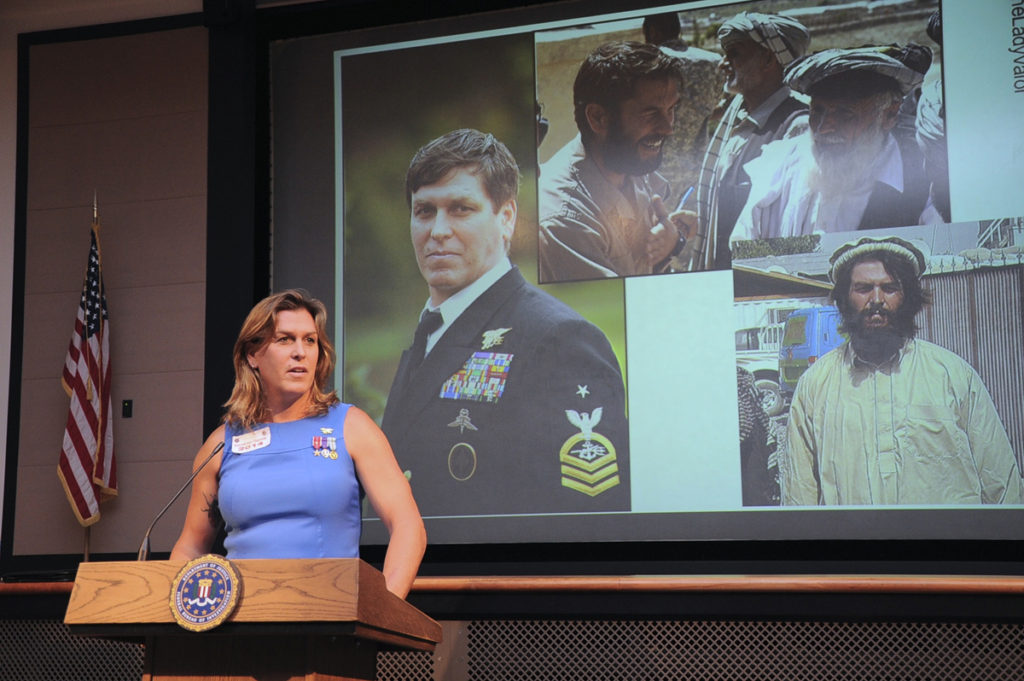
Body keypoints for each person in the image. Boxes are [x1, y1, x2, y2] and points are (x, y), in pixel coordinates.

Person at [382, 129, 629, 516]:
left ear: (506, 218)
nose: (438, 231)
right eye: (424, 211)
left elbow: (585, 519)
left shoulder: (559, 340)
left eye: (461, 208)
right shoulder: (431, 330)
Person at [171, 290, 425, 598]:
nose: (300, 352)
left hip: (328, 616)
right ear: (253, 355)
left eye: (310, 340)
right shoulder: (220, 444)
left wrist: (385, 608)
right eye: (284, 339)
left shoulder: (352, 427)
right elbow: (191, 547)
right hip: (237, 620)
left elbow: (408, 526)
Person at [782, 236, 1024, 506]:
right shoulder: (815, 386)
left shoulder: (952, 375)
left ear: (907, 295)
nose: (877, 300)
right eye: (863, 288)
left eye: (890, 288)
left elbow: (1004, 489)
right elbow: (798, 499)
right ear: (843, 298)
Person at [731, 47, 932, 244]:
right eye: (817, 112)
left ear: (889, 115)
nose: (823, 128)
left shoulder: (922, 184)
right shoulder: (778, 164)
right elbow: (743, 247)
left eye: (845, 114)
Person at [538, 41, 695, 282]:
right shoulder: (565, 220)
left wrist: (672, 240)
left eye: (671, 109)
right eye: (651, 113)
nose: (668, 128)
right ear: (598, 118)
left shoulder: (627, 162)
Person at [688, 11, 811, 271]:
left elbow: (792, 228)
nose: (723, 64)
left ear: (768, 58)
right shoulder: (737, 118)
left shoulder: (796, 126)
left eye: (735, 53)